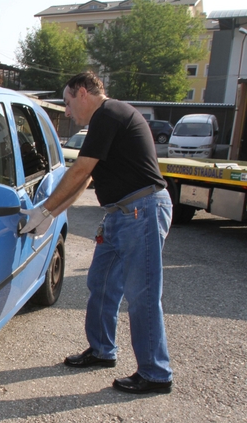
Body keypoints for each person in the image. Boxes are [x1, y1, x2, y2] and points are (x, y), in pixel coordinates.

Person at [21, 71, 173, 394]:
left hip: (141, 211)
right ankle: (103, 349)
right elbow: (85, 180)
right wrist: (54, 212)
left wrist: (45, 209)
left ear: (82, 92)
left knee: (142, 294)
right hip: (122, 215)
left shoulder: (109, 114)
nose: (66, 111)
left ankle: (156, 373)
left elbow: (80, 169)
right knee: (101, 283)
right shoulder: (104, 123)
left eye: (67, 102)